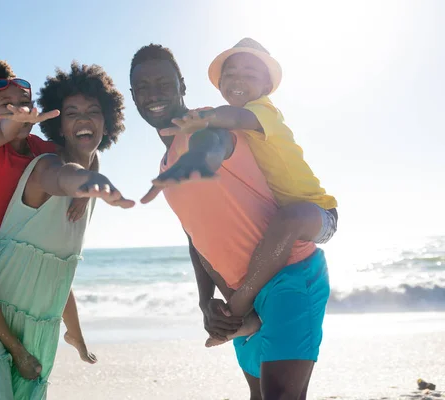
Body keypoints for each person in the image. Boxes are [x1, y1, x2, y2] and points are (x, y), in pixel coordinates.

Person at [131, 44, 330, 399]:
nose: (154, 93)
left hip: (291, 274)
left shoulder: (208, 122)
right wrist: (206, 301)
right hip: (241, 298)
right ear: (133, 96)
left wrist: (202, 160)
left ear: (182, 86)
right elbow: (197, 239)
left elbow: (214, 143)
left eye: (164, 82)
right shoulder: (165, 166)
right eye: (143, 86)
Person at [0, 61, 134, 399]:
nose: (16, 112)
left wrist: (87, 188)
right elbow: (37, 158)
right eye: (6, 108)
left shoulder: (39, 150)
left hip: (17, 271)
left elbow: (81, 162)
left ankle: (23, 345)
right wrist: (84, 182)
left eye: (23, 105)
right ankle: (12, 346)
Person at [159, 37, 338, 346]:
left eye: (250, 73)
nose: (238, 79)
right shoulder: (235, 128)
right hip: (286, 217)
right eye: (230, 73)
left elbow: (235, 116)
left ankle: (238, 308)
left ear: (266, 86)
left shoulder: (264, 111)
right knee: (204, 241)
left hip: (318, 213)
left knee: (291, 217)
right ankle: (244, 320)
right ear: (220, 83)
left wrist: (202, 119)